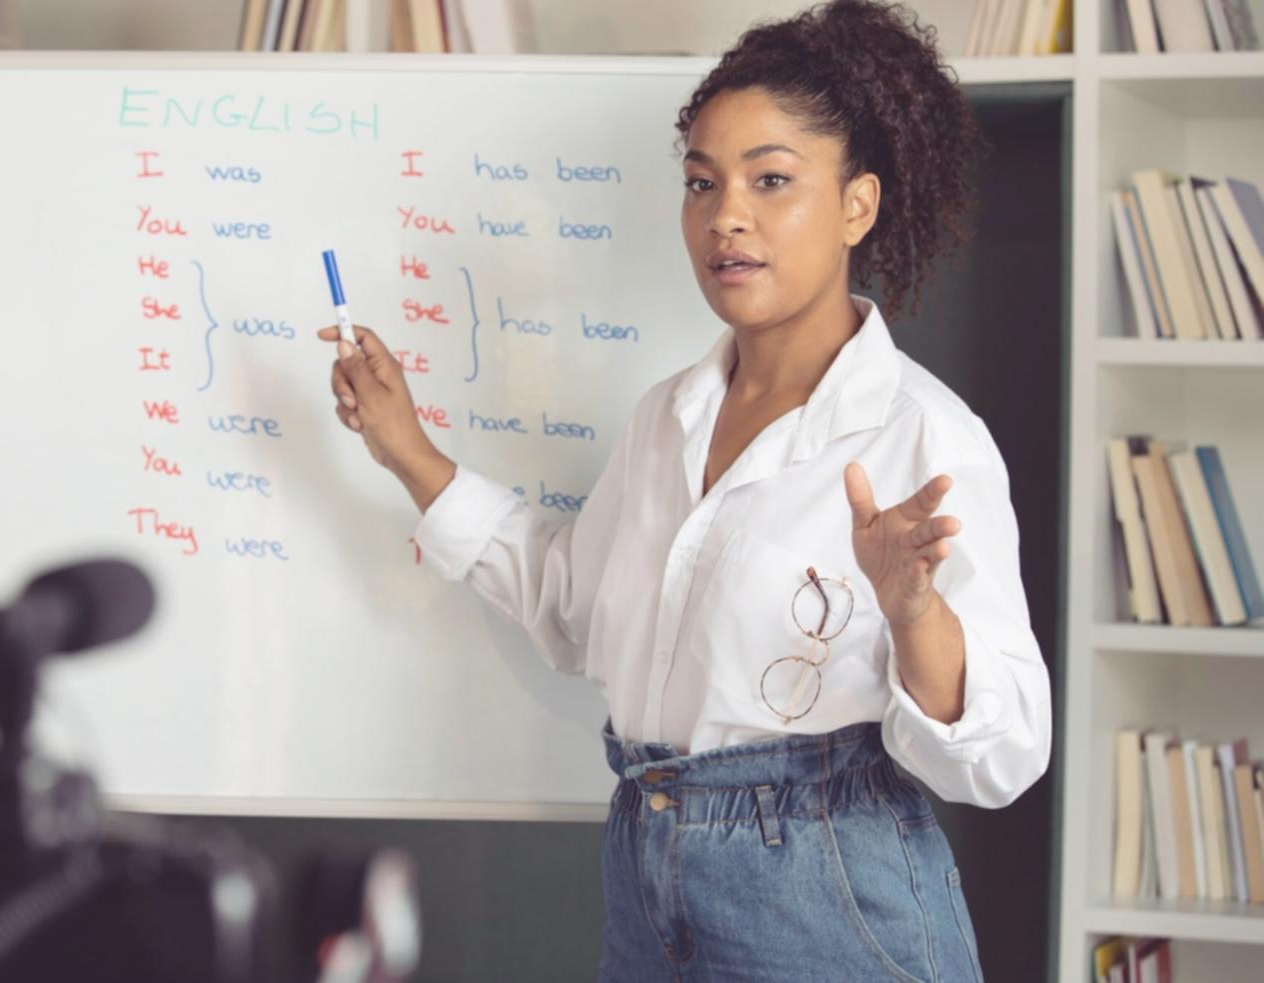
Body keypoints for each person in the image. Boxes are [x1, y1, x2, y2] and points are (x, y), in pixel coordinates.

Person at [316, 1, 1051, 979]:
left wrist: (912, 609)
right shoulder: (669, 417)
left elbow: (1004, 758)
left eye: (771, 180)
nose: (726, 215)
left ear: (857, 206)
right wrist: (406, 448)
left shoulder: (924, 434)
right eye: (702, 183)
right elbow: (573, 607)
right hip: (647, 870)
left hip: (825, 892)